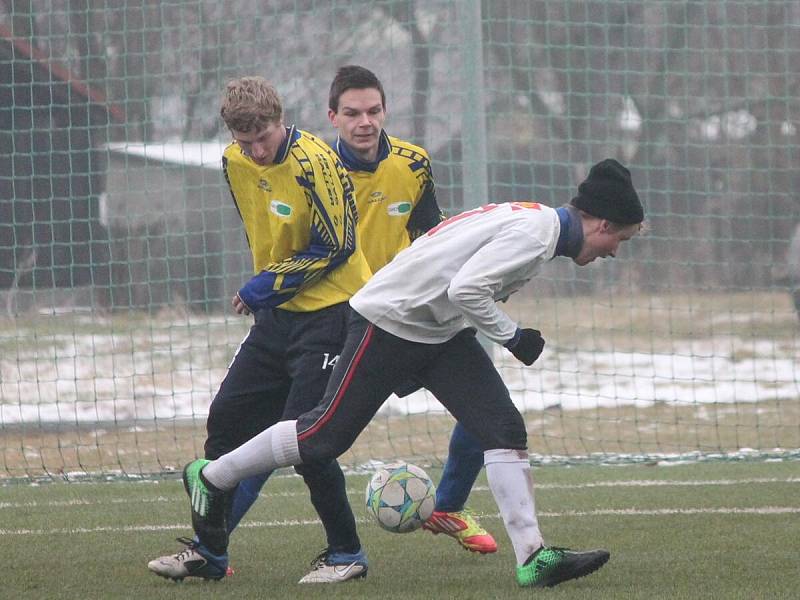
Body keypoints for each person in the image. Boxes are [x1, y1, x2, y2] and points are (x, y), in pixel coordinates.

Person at [179, 158, 645, 588]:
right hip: (390, 322)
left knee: (502, 428)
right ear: (601, 223)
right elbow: (467, 290)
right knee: (323, 436)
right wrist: (514, 337)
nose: (613, 252)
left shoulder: (537, 223)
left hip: (437, 331)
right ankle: (213, 477)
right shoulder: (535, 233)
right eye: (617, 240)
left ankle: (534, 558)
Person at [226, 65, 497, 559]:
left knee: (488, 415)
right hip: (342, 323)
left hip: (410, 316)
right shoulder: (317, 167)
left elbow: (430, 235)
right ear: (333, 117)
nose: (364, 122)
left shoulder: (413, 164)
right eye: (351, 113)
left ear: (385, 111)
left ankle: (448, 506)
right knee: (286, 434)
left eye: (373, 110)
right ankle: (216, 542)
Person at [147, 76, 373, 583]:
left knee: (304, 440)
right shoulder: (233, 161)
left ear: (280, 120)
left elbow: (336, 246)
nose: (256, 151)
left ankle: (347, 554)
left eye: (264, 139)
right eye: (245, 142)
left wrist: (265, 284)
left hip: (332, 315)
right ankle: (210, 553)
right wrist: (269, 294)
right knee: (227, 423)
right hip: (278, 319)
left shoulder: (317, 162)